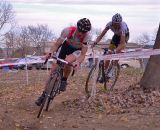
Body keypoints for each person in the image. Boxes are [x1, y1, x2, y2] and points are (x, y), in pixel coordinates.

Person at [35, 18, 92, 106]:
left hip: (77, 50)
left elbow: (83, 54)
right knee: (53, 71)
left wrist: (78, 62)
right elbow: (57, 44)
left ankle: (64, 80)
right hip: (66, 46)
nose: (81, 33)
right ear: (77, 27)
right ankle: (43, 95)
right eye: (80, 30)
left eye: (83, 32)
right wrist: (50, 52)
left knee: (67, 61)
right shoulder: (67, 31)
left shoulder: (87, 37)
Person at [94, 13, 129, 81]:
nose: (116, 25)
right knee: (109, 53)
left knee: (117, 52)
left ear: (120, 23)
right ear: (112, 22)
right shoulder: (109, 24)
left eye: (117, 24)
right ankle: (104, 72)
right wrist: (95, 42)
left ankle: (112, 70)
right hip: (116, 36)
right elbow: (101, 35)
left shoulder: (123, 28)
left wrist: (115, 51)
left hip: (124, 37)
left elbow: (122, 44)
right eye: (114, 23)